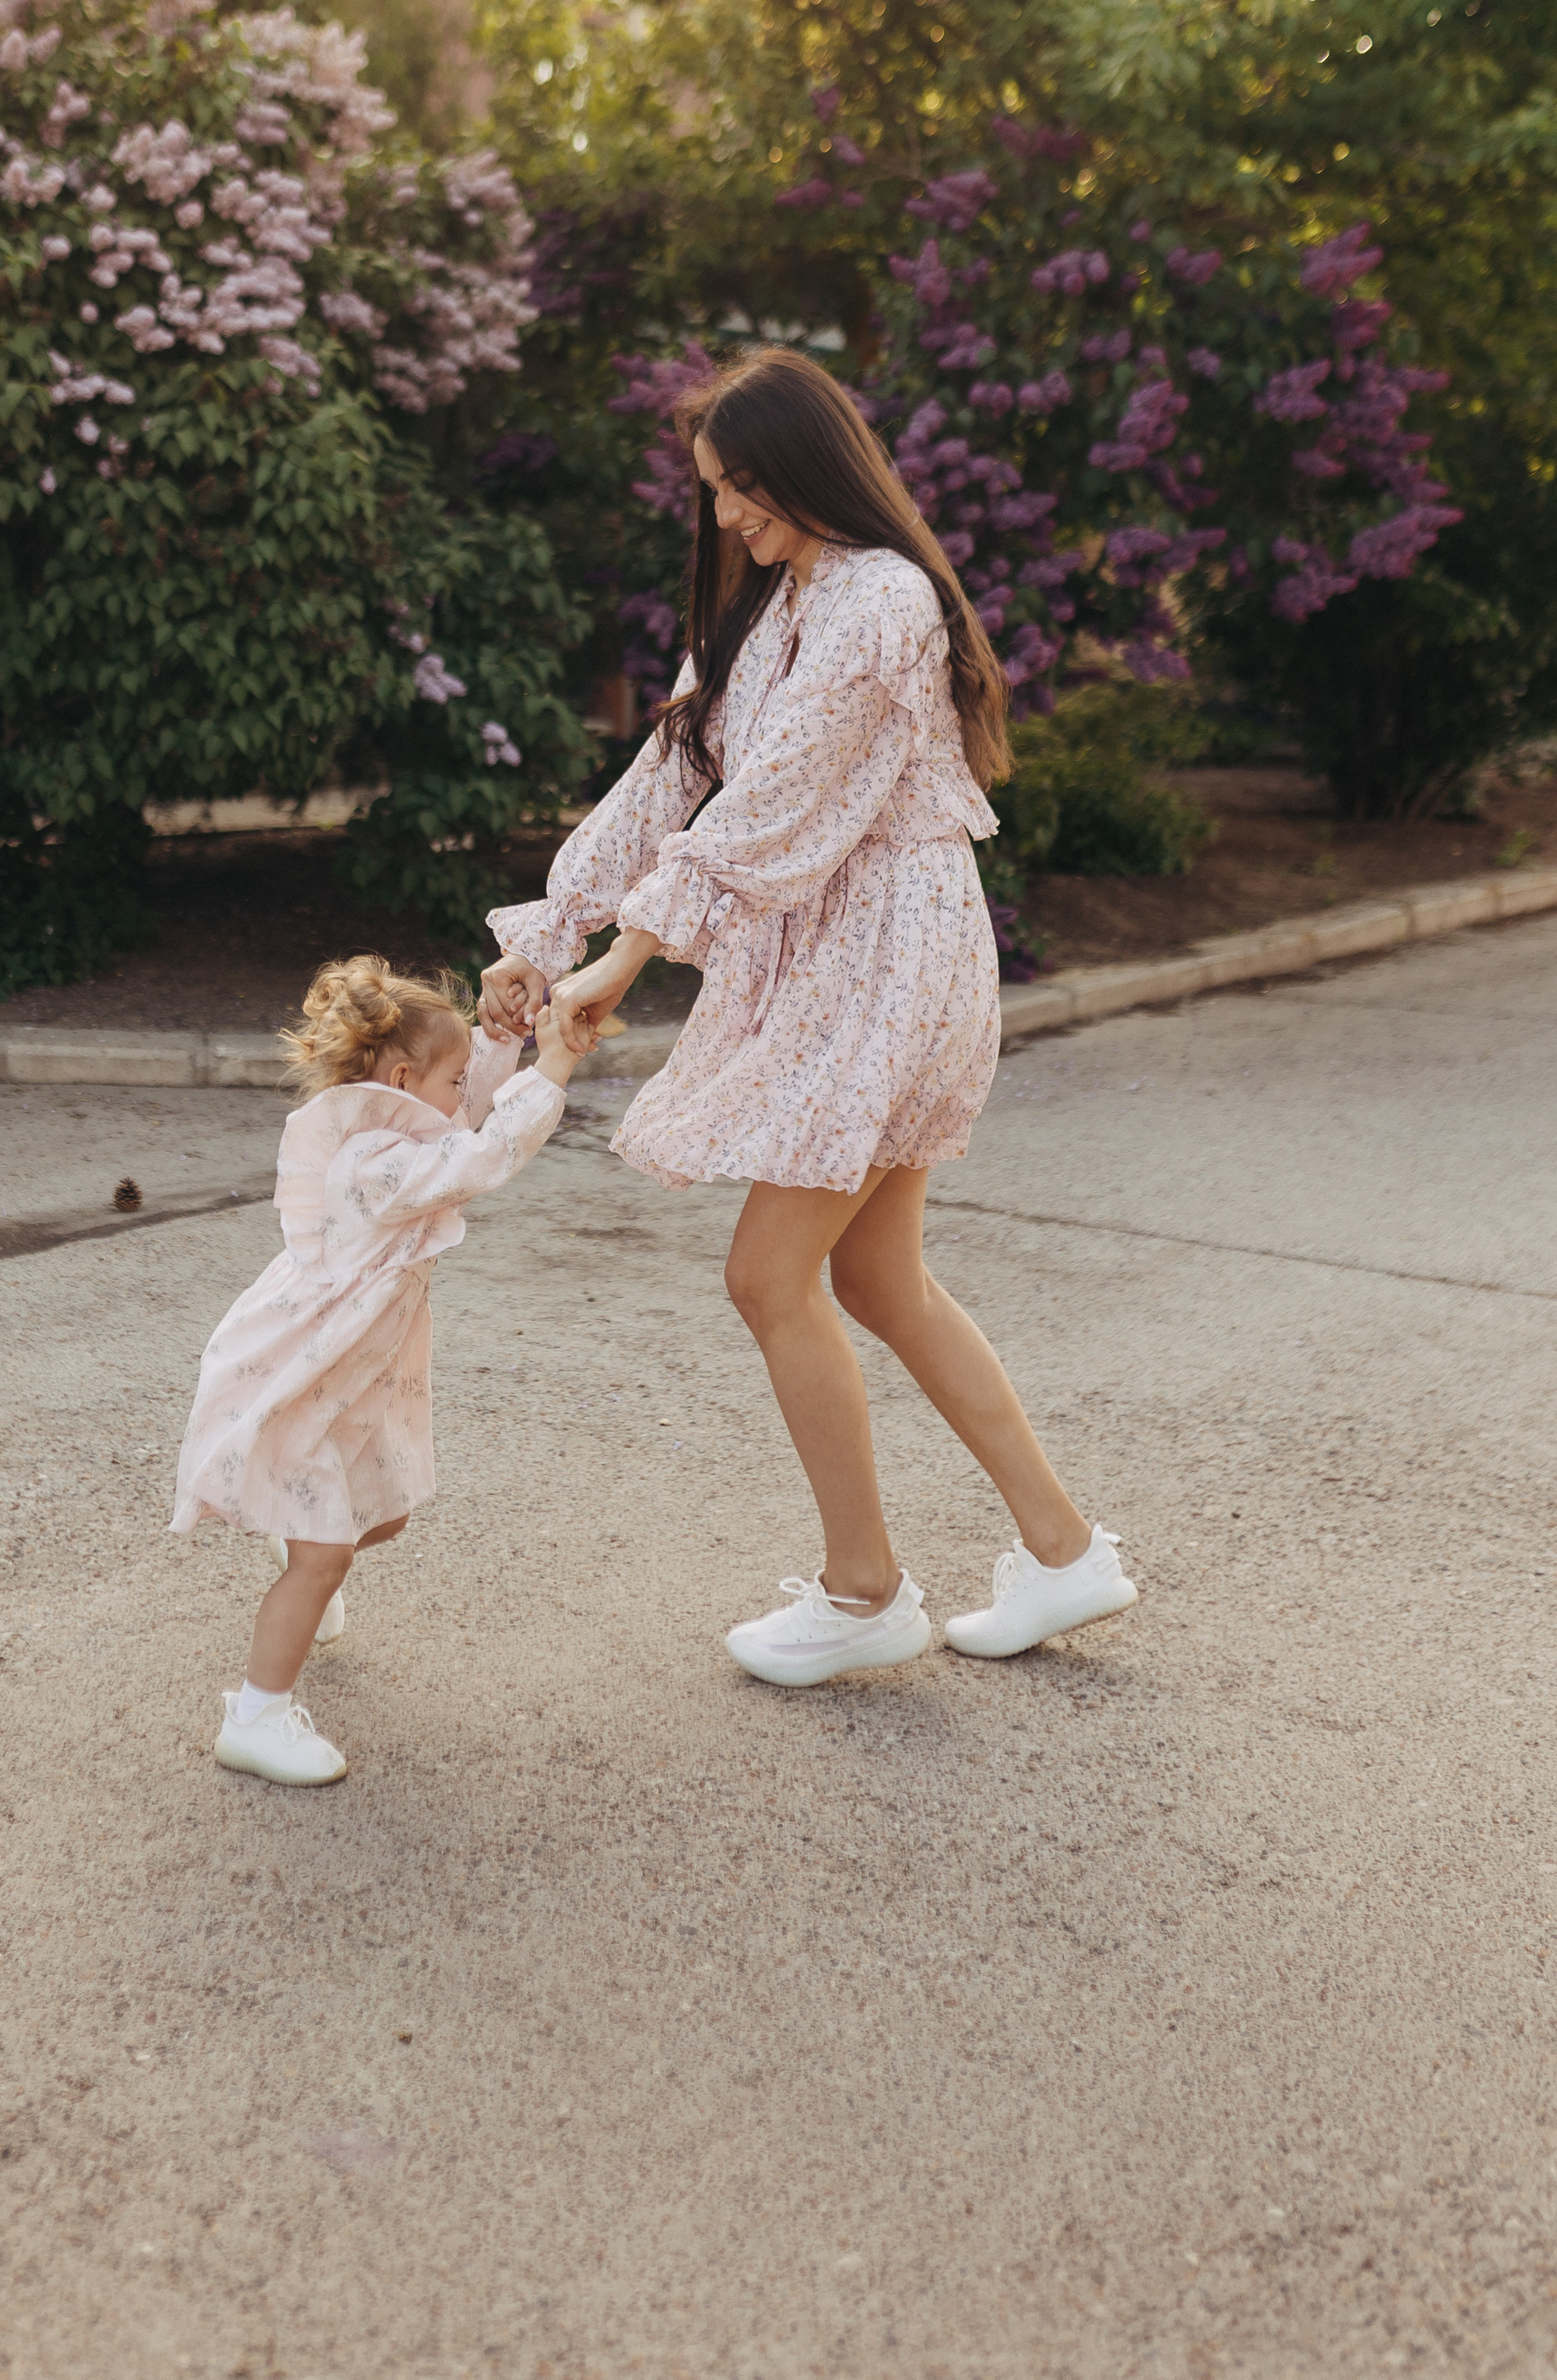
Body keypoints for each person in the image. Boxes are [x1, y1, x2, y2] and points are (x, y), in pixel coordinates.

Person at [482, 346, 1137, 1681]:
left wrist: (624, 967)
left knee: (768, 1275)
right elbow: (670, 776)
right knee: (876, 1276)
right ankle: (1066, 1556)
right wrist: (552, 934)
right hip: (857, 956)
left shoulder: (882, 601)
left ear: (805, 466)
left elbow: (770, 801)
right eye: (714, 493)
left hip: (888, 959)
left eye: (740, 488)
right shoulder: (771, 609)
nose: (724, 516)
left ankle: (863, 1596)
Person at [171, 955, 593, 1785]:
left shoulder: (405, 1131)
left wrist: (501, 1040)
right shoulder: (377, 1163)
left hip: (350, 1382)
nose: (463, 1092)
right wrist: (555, 1064)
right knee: (326, 1553)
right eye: (453, 1077)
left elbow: (466, 1116)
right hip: (301, 1381)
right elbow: (481, 1153)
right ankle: (257, 1713)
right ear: (403, 1080)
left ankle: (307, 1551)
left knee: (384, 1516)